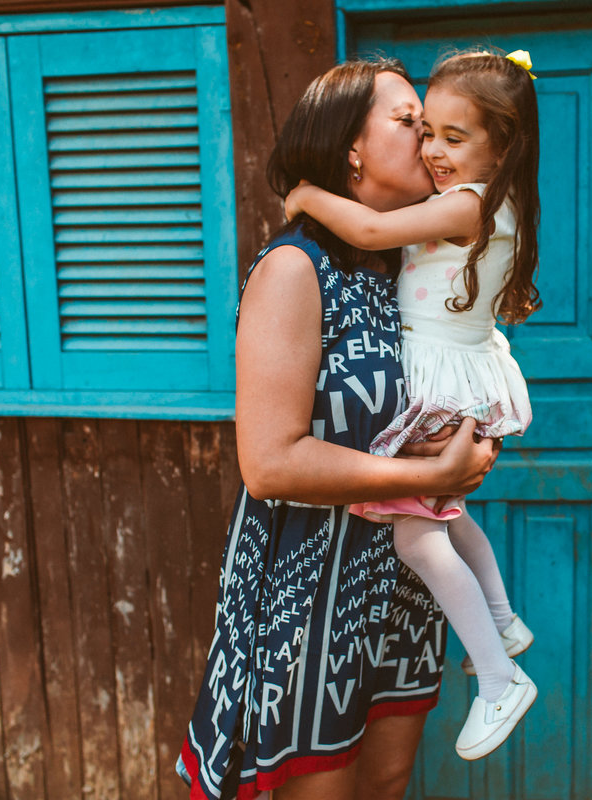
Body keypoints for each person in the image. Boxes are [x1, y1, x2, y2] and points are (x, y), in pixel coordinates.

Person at [178, 59, 500, 800]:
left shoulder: (408, 270)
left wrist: (468, 442)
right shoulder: (296, 268)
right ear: (350, 147)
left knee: (386, 781)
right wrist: (429, 475)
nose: (429, 141)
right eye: (409, 122)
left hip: (402, 582)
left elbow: (452, 387)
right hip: (309, 587)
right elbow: (270, 463)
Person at [283, 48, 542, 761]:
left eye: (453, 138)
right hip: (456, 370)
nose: (432, 151)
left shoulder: (468, 204)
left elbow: (368, 231)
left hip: (443, 376)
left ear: (502, 147)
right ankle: (502, 619)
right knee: (449, 516)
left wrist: (306, 197)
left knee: (417, 538)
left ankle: (499, 679)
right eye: (426, 132)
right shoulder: (485, 203)